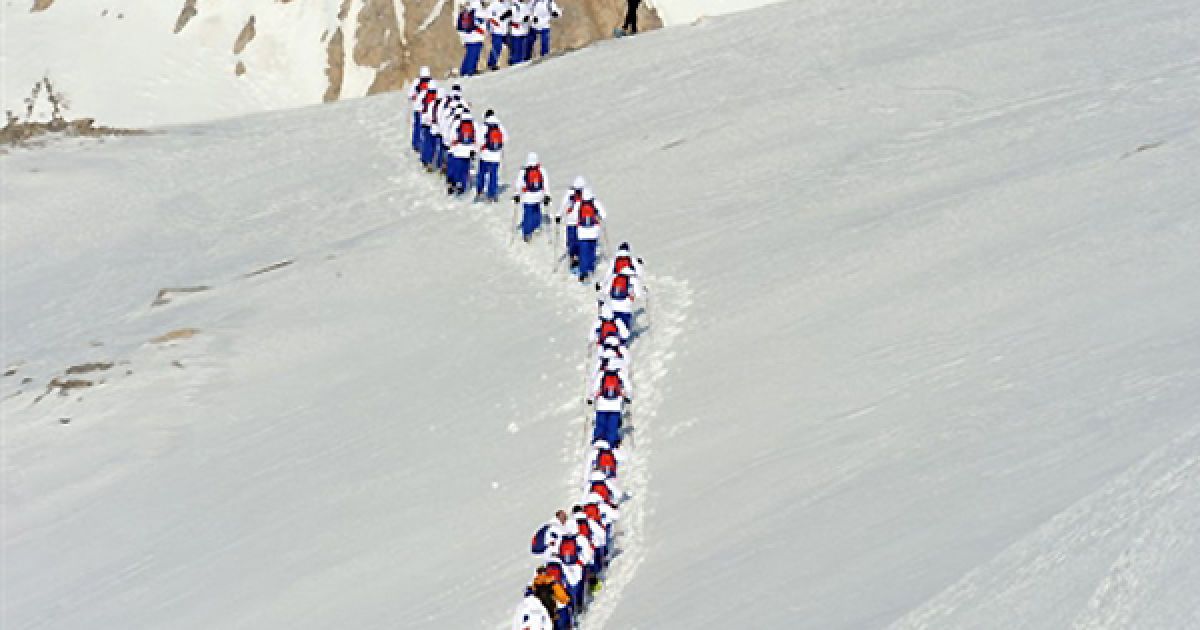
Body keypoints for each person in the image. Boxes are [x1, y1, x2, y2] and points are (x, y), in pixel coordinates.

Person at [588, 360, 632, 446]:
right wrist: (628, 397)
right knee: (613, 424)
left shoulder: (601, 375)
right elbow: (628, 387)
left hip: (602, 405)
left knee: (600, 423)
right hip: (616, 405)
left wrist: (591, 399)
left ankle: (598, 439)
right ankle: (612, 441)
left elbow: (595, 388)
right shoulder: (620, 374)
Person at [512, 152, 550, 242]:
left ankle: (527, 233)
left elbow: (518, 184)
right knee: (537, 211)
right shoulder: (541, 170)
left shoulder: (524, 170)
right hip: (539, 195)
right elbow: (546, 183)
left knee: (528, 215)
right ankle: (536, 227)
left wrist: (517, 194)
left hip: (527, 197)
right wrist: (547, 195)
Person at [574, 187, 607, 282]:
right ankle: (591, 270)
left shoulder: (580, 204)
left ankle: (583, 273)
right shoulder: (595, 203)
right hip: (593, 232)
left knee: (583, 253)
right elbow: (604, 214)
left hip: (582, 233)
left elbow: (574, 215)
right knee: (592, 251)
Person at [475, 109, 506, 202]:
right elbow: (505, 138)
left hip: (485, 155)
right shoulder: (500, 126)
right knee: (493, 175)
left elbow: (479, 139)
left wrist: (479, 149)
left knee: (482, 173)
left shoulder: (484, 126)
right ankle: (492, 194)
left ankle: (480, 191)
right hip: (496, 156)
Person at [555, 176, 585, 269]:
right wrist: (559, 214)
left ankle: (578, 258)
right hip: (571, 222)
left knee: (579, 241)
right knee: (571, 242)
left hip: (581, 223)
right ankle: (573, 258)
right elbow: (563, 204)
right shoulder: (570, 194)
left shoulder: (586, 195)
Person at [602, 266, 643, 333]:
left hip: (613, 306)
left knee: (615, 324)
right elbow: (638, 294)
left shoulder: (614, 277)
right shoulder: (632, 279)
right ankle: (624, 339)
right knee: (624, 326)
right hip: (626, 308)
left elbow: (605, 291)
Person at [531, 565, 572, 629]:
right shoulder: (551, 582)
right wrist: (568, 600)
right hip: (556, 612)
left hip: (543, 614)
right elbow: (563, 597)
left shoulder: (534, 584)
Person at [447, 111, 477, 195]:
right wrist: (474, 149)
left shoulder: (457, 122)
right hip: (468, 151)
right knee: (465, 169)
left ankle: (455, 184)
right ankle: (462, 186)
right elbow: (477, 138)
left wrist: (452, 145)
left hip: (458, 150)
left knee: (457, 168)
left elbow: (452, 136)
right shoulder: (473, 124)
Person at [457, 0, 487, 76]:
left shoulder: (466, 11)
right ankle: (469, 71)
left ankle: (464, 70)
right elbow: (477, 24)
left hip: (468, 37)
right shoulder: (477, 11)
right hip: (475, 37)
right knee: (473, 55)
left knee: (469, 54)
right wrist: (482, 31)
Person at [407, 66, 432, 151]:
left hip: (418, 108)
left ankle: (416, 144)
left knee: (417, 126)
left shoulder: (416, 82)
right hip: (427, 109)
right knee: (425, 128)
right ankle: (424, 145)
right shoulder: (431, 82)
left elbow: (410, 95)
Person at [418, 84, 440, 169]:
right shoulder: (437, 99)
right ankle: (430, 160)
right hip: (433, 124)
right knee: (432, 144)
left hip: (425, 121)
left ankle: (425, 158)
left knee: (426, 141)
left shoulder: (424, 94)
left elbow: (419, 105)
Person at [485, 0, 512, 71]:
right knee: (497, 47)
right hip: (496, 30)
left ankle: (513, 60)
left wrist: (508, 16)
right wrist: (499, 21)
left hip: (506, 30)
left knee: (512, 44)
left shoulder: (507, 4)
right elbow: (490, 18)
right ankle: (492, 64)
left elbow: (511, 15)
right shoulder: (493, 5)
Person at [508, 0, 531, 65]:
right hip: (516, 32)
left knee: (521, 50)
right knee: (516, 50)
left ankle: (519, 62)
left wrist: (527, 18)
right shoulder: (513, 6)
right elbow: (510, 19)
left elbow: (528, 16)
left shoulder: (525, 6)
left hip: (524, 31)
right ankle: (515, 63)